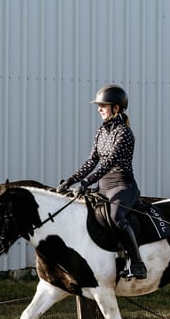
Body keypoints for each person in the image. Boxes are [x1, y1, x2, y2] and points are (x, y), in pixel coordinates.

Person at [56, 84, 147, 279]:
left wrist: (86, 183)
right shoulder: (101, 131)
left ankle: (138, 264)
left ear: (116, 107)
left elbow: (109, 163)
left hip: (122, 186)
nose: (99, 109)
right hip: (103, 187)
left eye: (103, 105)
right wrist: (70, 181)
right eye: (99, 106)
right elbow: (92, 161)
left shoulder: (124, 133)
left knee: (116, 217)